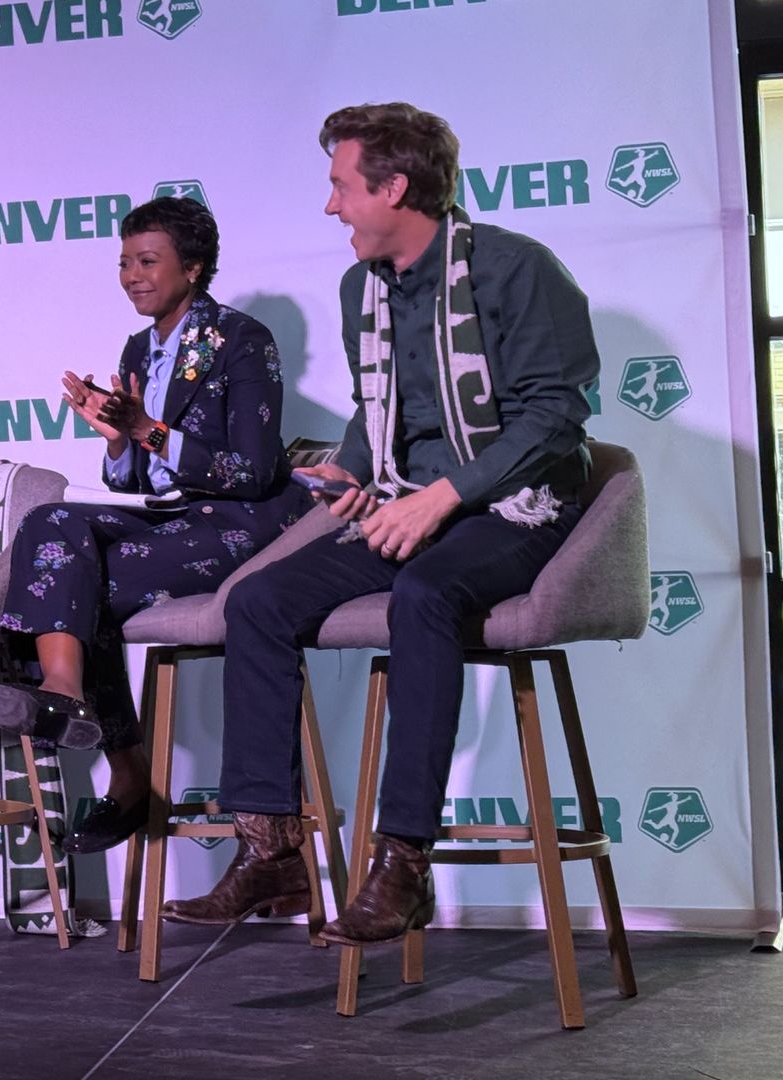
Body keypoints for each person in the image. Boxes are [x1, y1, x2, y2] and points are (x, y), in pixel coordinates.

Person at [165, 104, 598, 945]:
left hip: (516, 507)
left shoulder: (514, 268)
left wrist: (442, 497)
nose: (331, 206)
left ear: (394, 187)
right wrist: (353, 471)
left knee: (427, 594)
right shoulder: (360, 287)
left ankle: (402, 862)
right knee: (256, 602)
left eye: (340, 186)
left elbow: (555, 417)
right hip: (406, 501)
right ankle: (270, 850)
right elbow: (377, 408)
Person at [0, 197, 311, 856]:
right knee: (51, 525)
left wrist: (147, 430)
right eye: (124, 261)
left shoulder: (242, 341)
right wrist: (120, 443)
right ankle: (64, 692)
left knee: (74, 578)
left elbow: (254, 470)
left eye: (147, 261)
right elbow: (137, 483)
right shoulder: (139, 347)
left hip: (240, 524)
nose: (131, 275)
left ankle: (125, 774)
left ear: (195, 267)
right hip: (170, 520)